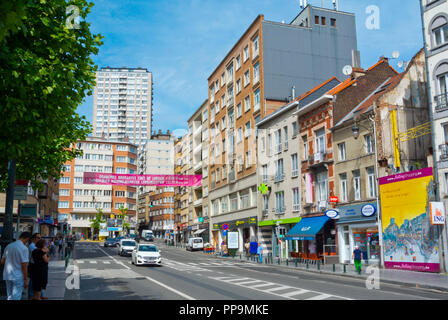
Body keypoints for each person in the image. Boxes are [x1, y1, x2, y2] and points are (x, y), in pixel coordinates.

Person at [0, 232, 32, 300]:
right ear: (27, 239)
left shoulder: (9, 246)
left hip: (8, 275)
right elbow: (24, 265)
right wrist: (25, 279)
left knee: (9, 296)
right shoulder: (24, 248)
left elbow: (2, 261)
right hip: (18, 276)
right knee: (16, 296)